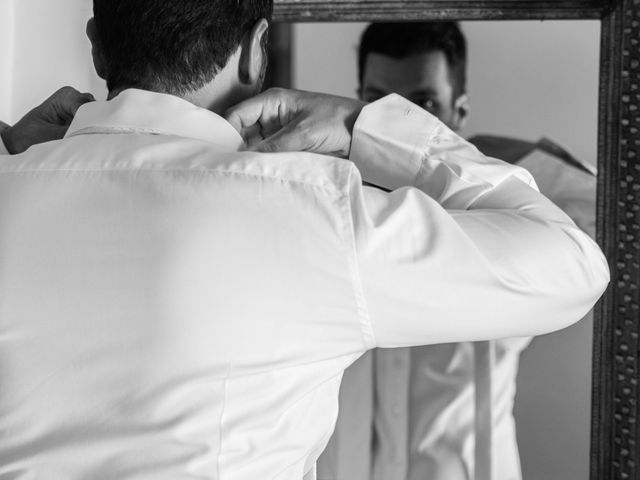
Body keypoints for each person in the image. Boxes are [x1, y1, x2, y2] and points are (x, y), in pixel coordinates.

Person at [0, 4, 608, 479]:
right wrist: (365, 128)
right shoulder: (311, 210)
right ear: (256, 50)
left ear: (97, 45)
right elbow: (573, 266)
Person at [318, 22, 598, 480]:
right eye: (381, 104)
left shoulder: (505, 225)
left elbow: (610, 208)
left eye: (423, 105)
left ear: (460, 110)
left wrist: (473, 156)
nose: (400, 121)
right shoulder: (327, 208)